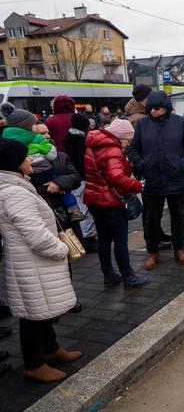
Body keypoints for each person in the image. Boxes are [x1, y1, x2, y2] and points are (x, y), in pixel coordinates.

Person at [0, 138, 81, 382]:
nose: (30, 160)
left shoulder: (15, 185)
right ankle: (34, 364)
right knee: (32, 315)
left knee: (39, 311)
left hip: (32, 262)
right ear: (13, 163)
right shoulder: (14, 192)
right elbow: (35, 235)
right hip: (32, 262)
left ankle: (50, 349)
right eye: (25, 157)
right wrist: (60, 249)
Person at [127, 91, 184, 270]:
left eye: (157, 109)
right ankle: (152, 252)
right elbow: (133, 149)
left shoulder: (180, 123)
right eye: (151, 109)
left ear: (165, 108)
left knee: (177, 216)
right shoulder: (142, 125)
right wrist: (141, 164)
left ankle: (179, 248)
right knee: (152, 218)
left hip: (175, 178)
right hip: (152, 180)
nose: (154, 112)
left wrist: (182, 164)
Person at [84, 119, 149, 288]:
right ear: (120, 136)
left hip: (94, 198)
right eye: (128, 139)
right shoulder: (113, 149)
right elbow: (116, 177)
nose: (128, 143)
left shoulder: (93, 144)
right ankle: (128, 276)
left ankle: (109, 274)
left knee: (103, 239)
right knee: (120, 241)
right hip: (110, 201)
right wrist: (137, 185)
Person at [63, 113, 98, 250]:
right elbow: (83, 162)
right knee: (85, 207)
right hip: (82, 178)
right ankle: (87, 237)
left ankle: (86, 235)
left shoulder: (68, 138)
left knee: (80, 206)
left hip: (73, 177)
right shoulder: (81, 141)